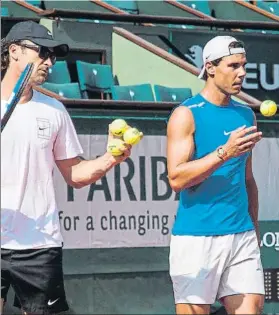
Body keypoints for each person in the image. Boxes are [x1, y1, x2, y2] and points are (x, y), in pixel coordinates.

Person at [1, 21, 131, 315]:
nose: (48, 62)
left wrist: (112, 157)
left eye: (53, 56)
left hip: (39, 245)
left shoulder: (55, 111)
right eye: (42, 53)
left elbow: (74, 175)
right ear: (14, 51)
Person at [167, 36, 265, 315]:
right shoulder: (185, 114)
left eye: (244, 65)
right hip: (197, 239)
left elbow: (247, 179)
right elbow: (176, 178)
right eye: (233, 65)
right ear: (210, 67)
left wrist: (254, 229)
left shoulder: (246, 115)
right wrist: (224, 152)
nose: (242, 73)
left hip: (241, 235)